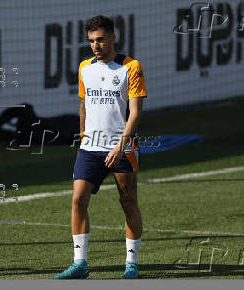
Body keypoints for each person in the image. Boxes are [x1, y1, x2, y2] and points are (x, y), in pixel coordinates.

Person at [55, 15, 147, 279]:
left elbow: (135, 113)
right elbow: (83, 104)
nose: (95, 45)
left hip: (122, 148)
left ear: (113, 38)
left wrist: (120, 145)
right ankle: (79, 263)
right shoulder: (85, 67)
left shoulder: (131, 67)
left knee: (128, 201)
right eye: (91, 41)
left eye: (100, 40)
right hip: (90, 147)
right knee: (78, 199)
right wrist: (83, 136)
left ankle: (131, 264)